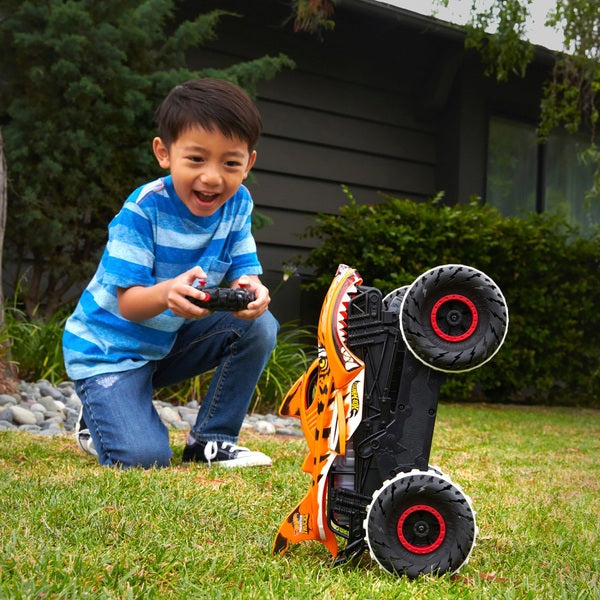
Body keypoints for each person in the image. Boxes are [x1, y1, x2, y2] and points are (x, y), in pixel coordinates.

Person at [62, 78, 279, 469]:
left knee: (261, 325)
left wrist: (252, 290)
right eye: (196, 159)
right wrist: (166, 293)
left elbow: (244, 269)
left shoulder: (238, 205)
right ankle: (102, 407)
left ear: (248, 163)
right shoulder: (143, 210)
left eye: (230, 163)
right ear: (164, 153)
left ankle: (212, 440)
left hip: (165, 344)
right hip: (110, 352)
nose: (212, 177)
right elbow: (127, 304)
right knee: (145, 458)